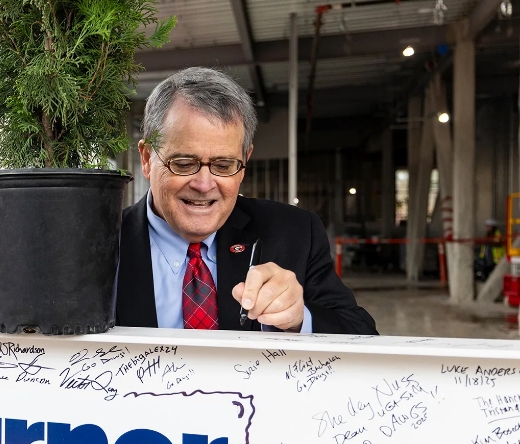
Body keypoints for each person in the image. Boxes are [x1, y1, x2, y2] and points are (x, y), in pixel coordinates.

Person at [116, 67, 377, 335]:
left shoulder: (295, 232)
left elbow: (364, 335)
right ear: (147, 159)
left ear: (244, 162)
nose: (204, 184)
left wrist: (300, 319)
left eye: (224, 164)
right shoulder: (101, 245)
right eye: (183, 163)